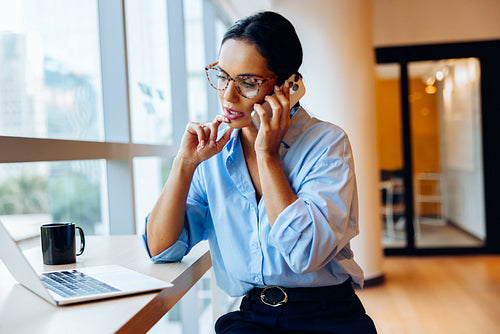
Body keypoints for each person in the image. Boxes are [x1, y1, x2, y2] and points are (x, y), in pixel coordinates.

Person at [143, 11, 377, 334]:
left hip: (328, 315)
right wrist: (184, 165)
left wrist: (267, 155)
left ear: (287, 86)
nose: (228, 96)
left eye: (248, 83)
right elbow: (161, 248)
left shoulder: (328, 145)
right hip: (252, 317)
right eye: (223, 77)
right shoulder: (212, 154)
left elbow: (305, 253)